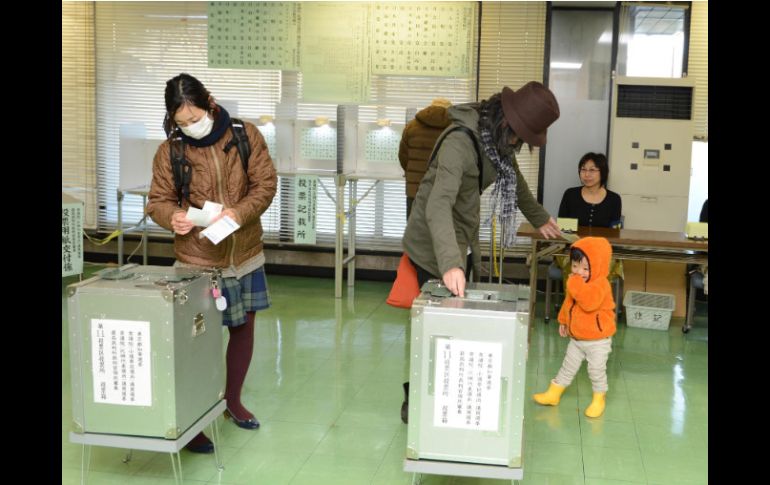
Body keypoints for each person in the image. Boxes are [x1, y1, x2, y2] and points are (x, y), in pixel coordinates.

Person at [400, 81, 562, 423]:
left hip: (461, 238)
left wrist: (540, 218)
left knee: (453, 322)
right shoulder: (460, 142)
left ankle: (445, 392)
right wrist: (450, 264)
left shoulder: (496, 140)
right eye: (519, 137)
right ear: (507, 123)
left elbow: (514, 181)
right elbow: (437, 205)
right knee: (436, 323)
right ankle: (416, 396)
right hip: (434, 243)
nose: (518, 145)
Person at [147, 73, 277, 453]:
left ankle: (232, 402)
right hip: (197, 259)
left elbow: (265, 185)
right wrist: (172, 216)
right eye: (182, 122)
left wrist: (237, 214)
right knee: (197, 341)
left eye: (196, 117)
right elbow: (157, 200)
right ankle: (194, 417)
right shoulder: (170, 151)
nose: (191, 126)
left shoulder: (244, 135)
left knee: (243, 330)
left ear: (211, 103)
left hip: (245, 253)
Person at [532, 237, 617, 418]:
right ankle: (554, 393)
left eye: (586, 268)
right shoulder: (576, 282)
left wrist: (575, 283)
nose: (579, 272)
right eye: (575, 266)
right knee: (567, 366)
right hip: (577, 338)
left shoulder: (601, 284)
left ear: (599, 266)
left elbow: (588, 303)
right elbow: (568, 303)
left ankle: (599, 398)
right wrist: (564, 321)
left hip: (598, 340)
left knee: (596, 371)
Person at [398, 98, 452, 220]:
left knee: (414, 234)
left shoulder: (412, 126)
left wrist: (412, 173)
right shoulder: (454, 129)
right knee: (439, 235)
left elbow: (403, 157)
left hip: (415, 191)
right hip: (443, 192)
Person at [558, 152, 622, 228]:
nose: (587, 174)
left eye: (592, 170)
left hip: (602, 240)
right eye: (583, 169)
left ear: (603, 172)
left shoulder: (614, 199)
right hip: (576, 240)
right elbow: (563, 228)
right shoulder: (570, 194)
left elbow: (615, 232)